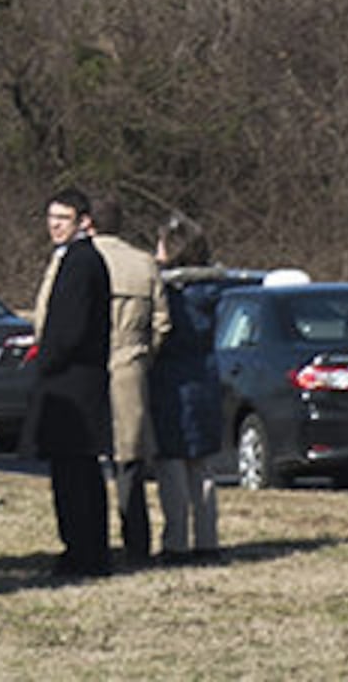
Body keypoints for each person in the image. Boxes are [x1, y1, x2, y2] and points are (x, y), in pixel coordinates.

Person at [27, 188, 114, 579]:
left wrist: (45, 362)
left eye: (63, 219)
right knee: (73, 471)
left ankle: (83, 551)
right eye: (51, 218)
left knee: (76, 474)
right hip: (73, 379)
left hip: (74, 382)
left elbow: (71, 328)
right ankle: (83, 548)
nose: (55, 226)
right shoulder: (72, 260)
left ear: (83, 221)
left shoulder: (82, 262)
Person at [147, 214, 231, 563]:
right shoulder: (217, 292)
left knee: (172, 466)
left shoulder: (173, 294)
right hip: (207, 380)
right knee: (202, 466)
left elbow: (162, 335)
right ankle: (207, 539)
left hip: (172, 383)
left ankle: (176, 541)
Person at [88, 200, 160, 563]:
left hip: (88, 365)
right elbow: (162, 324)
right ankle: (137, 540)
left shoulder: (77, 260)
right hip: (130, 363)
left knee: (86, 459)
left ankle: (92, 539)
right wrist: (144, 354)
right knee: (129, 459)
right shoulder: (144, 263)